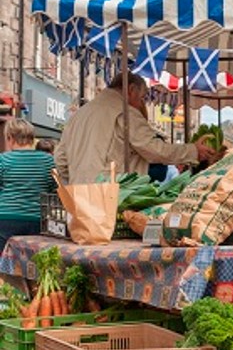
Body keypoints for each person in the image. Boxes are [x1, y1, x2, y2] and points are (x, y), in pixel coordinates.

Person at [54, 72, 216, 184]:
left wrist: (80, 178)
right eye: (142, 98)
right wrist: (193, 151)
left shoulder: (79, 115)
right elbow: (154, 150)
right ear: (131, 90)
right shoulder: (125, 113)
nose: (141, 104)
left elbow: (61, 159)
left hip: (78, 197)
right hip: (110, 196)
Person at [0, 119, 56, 252]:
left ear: (10, 138)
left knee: (4, 260)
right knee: (33, 261)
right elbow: (54, 188)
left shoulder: (3, 160)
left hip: (6, 218)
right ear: (32, 138)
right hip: (37, 220)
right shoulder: (48, 160)